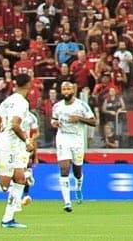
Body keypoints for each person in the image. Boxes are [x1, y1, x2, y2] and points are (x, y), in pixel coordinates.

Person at [0, 73, 33, 228]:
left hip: (10, 146)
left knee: (20, 179)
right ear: (28, 84)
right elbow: (16, 125)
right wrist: (26, 141)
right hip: (7, 147)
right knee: (4, 185)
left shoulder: (7, 101)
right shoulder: (22, 102)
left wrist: (3, 133)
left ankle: (8, 219)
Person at [50, 81, 97, 211]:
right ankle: (67, 202)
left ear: (73, 91)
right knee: (64, 169)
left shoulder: (81, 105)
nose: (66, 92)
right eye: (64, 89)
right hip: (63, 138)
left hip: (77, 140)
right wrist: (54, 123)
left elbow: (94, 122)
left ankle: (78, 186)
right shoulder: (57, 106)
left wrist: (79, 119)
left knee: (77, 171)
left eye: (68, 89)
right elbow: (53, 120)